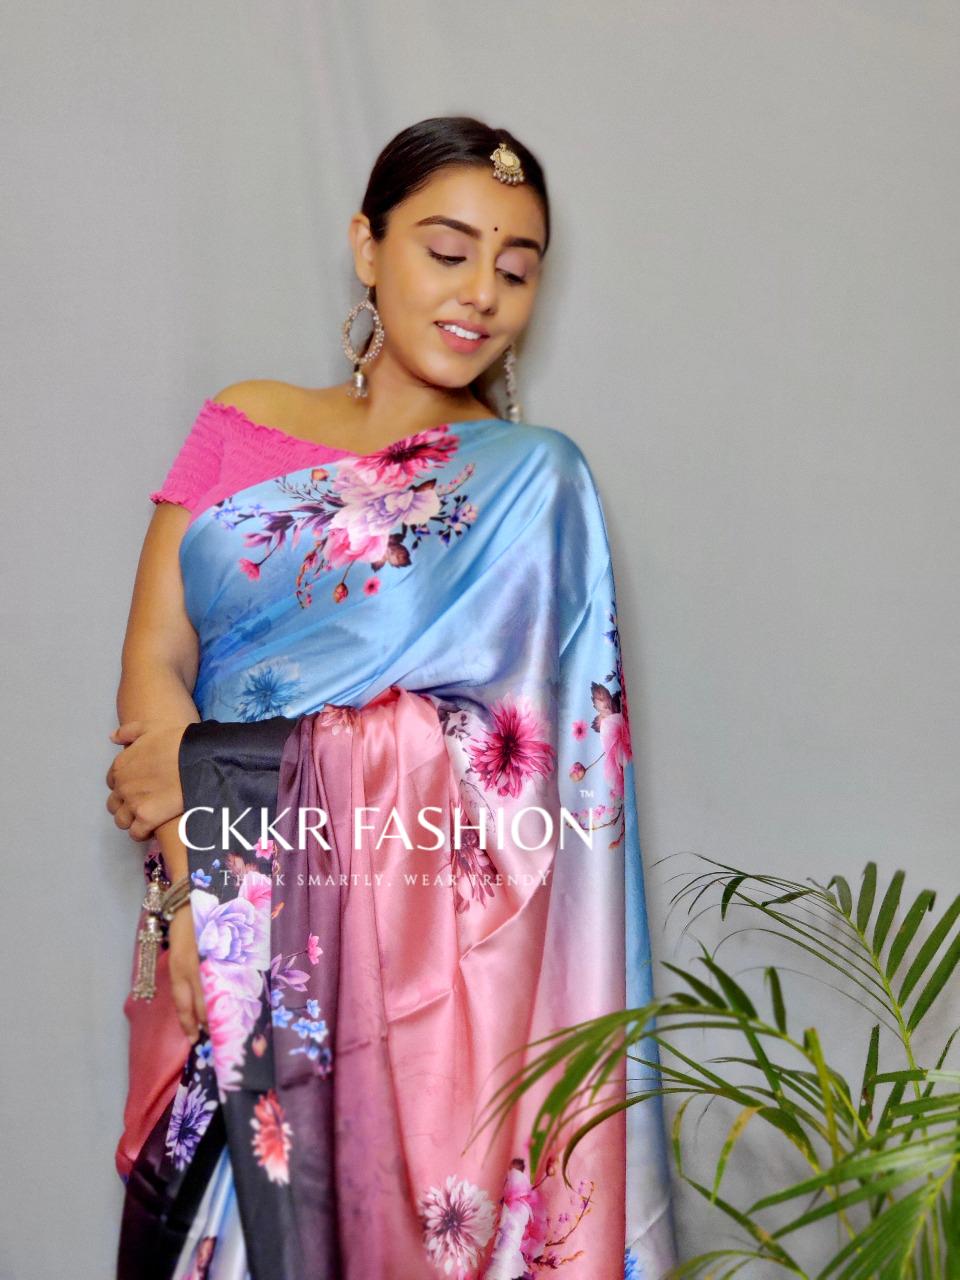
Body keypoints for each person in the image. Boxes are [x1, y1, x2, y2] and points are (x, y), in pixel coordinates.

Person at [106, 115, 676, 1280]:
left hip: (410, 1014)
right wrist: (204, 894)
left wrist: (214, 783)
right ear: (367, 247)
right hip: (219, 931)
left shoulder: (534, 485)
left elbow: (524, 790)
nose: (482, 294)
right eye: (448, 250)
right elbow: (155, 668)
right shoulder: (237, 422)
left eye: (518, 269)